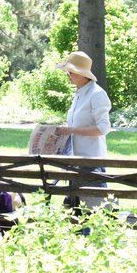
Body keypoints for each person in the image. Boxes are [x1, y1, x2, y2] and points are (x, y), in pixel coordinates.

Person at [53, 51, 112, 210]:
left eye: (70, 72)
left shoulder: (97, 94)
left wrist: (73, 130)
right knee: (76, 213)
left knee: (94, 214)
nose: (68, 75)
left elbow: (103, 128)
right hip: (75, 161)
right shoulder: (80, 93)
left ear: (81, 73)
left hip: (91, 162)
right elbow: (76, 126)